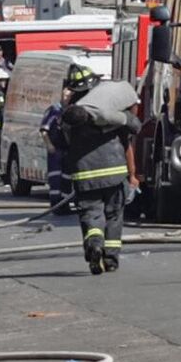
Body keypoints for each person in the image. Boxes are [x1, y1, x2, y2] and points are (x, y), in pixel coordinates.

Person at [49, 64, 140, 275]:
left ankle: (95, 244)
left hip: (85, 175)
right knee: (115, 215)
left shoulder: (67, 118)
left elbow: (58, 146)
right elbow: (128, 143)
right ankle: (111, 259)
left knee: (92, 215)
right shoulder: (111, 111)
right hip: (115, 172)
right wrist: (133, 175)